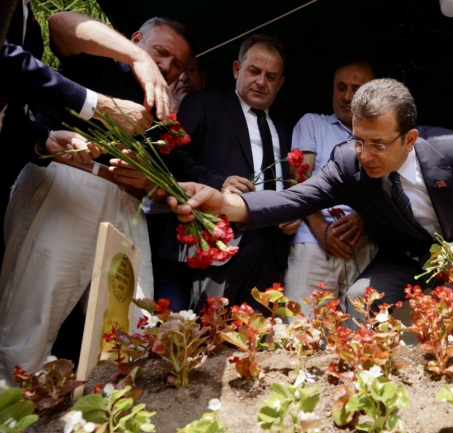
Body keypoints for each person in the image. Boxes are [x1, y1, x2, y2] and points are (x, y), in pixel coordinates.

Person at [167, 78, 453, 322]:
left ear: (409, 139)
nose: (364, 154)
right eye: (358, 140)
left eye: (377, 143)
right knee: (361, 299)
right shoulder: (347, 161)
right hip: (404, 258)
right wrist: (224, 204)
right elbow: (293, 200)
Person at [0, 14, 193, 381]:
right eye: (160, 52)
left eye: (177, 64)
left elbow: (174, 165)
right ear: (135, 38)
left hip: (126, 208)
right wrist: (140, 61)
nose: (167, 66)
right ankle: (9, 421)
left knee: (134, 327)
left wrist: (150, 182)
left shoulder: (162, 107)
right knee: (31, 319)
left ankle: (115, 420)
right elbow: (60, 23)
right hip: (68, 183)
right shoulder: (100, 58)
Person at [162, 34, 296, 313]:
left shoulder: (284, 129)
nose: (261, 81)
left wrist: (292, 211)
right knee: (206, 335)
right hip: (218, 242)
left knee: (254, 343)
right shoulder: (205, 104)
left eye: (271, 76)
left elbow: (289, 180)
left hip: (272, 250)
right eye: (254, 71)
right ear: (237, 70)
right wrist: (218, 182)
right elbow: (173, 154)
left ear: (280, 83)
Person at [285, 61, 377, 312]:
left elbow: (391, 186)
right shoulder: (312, 123)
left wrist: (365, 218)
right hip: (312, 243)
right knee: (302, 334)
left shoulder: (380, 135)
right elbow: (299, 178)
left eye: (356, 89)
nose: (347, 96)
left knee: (361, 336)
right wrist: (319, 226)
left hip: (364, 245)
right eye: (341, 88)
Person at [146, 56, 206, 310]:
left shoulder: (213, 119)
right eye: (178, 71)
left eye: (190, 70)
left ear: (204, 79)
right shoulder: (145, 113)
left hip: (187, 226)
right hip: (146, 219)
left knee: (173, 306)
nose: (183, 77)